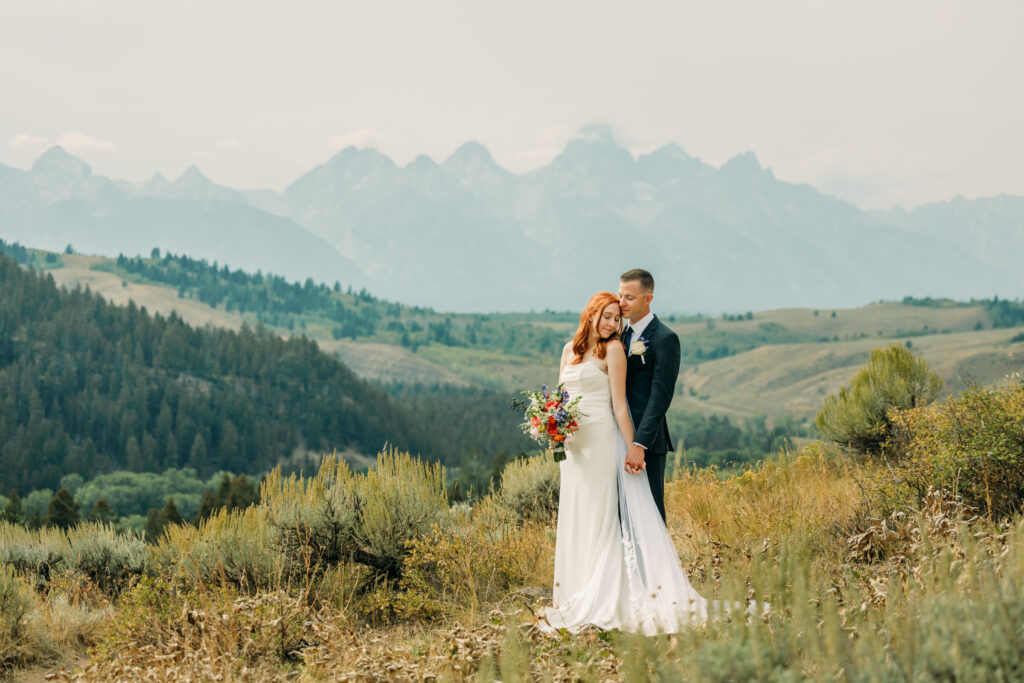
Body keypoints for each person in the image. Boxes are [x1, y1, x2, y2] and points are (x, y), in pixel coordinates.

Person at [542, 288, 707, 635]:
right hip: (573, 449)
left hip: (601, 442)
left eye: (617, 318)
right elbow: (559, 398)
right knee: (577, 513)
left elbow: (619, 404)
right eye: (608, 316)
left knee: (601, 516)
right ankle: (574, 592)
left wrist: (635, 446)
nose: (613, 323)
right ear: (592, 313)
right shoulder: (568, 351)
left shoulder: (614, 349)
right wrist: (553, 427)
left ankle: (603, 596)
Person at [618, 268, 680, 522]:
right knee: (622, 515)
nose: (621, 303)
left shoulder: (665, 338)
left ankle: (656, 564)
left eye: (629, 298)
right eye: (620, 295)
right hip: (617, 437)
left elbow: (660, 397)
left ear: (648, 299)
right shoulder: (621, 334)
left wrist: (639, 444)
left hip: (647, 443)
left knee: (650, 515)